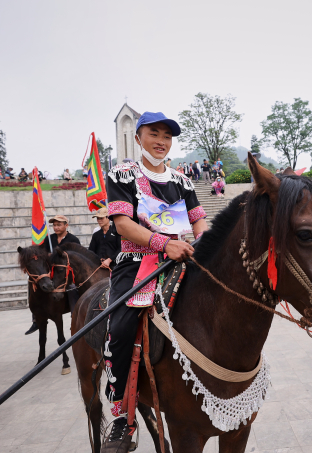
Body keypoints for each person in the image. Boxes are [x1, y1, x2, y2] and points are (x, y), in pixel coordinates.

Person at [104, 111, 208, 451]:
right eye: (154, 133)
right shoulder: (122, 174)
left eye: (167, 135)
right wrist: (164, 243)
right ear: (138, 138)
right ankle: (121, 415)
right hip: (137, 262)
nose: (161, 141)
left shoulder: (183, 180)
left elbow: (199, 224)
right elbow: (122, 224)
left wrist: (200, 246)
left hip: (184, 257)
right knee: (120, 328)